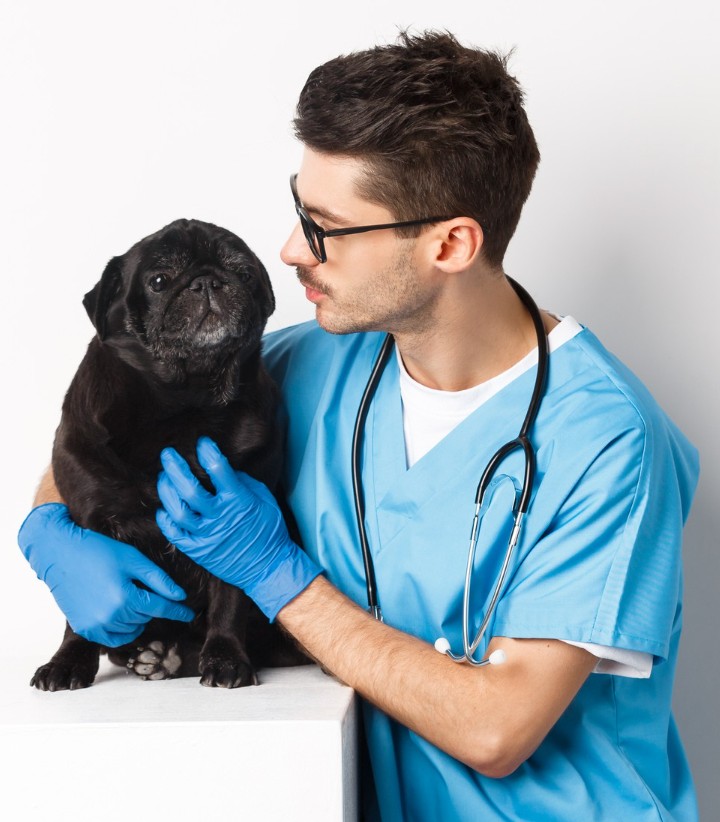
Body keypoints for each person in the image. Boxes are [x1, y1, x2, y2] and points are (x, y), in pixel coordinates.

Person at [19, 30, 699, 821]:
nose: (290, 251)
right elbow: (119, 413)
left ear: (450, 243)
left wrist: (279, 579)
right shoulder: (317, 363)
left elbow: (496, 729)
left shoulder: (608, 443)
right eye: (296, 213)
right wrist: (47, 523)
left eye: (325, 228)